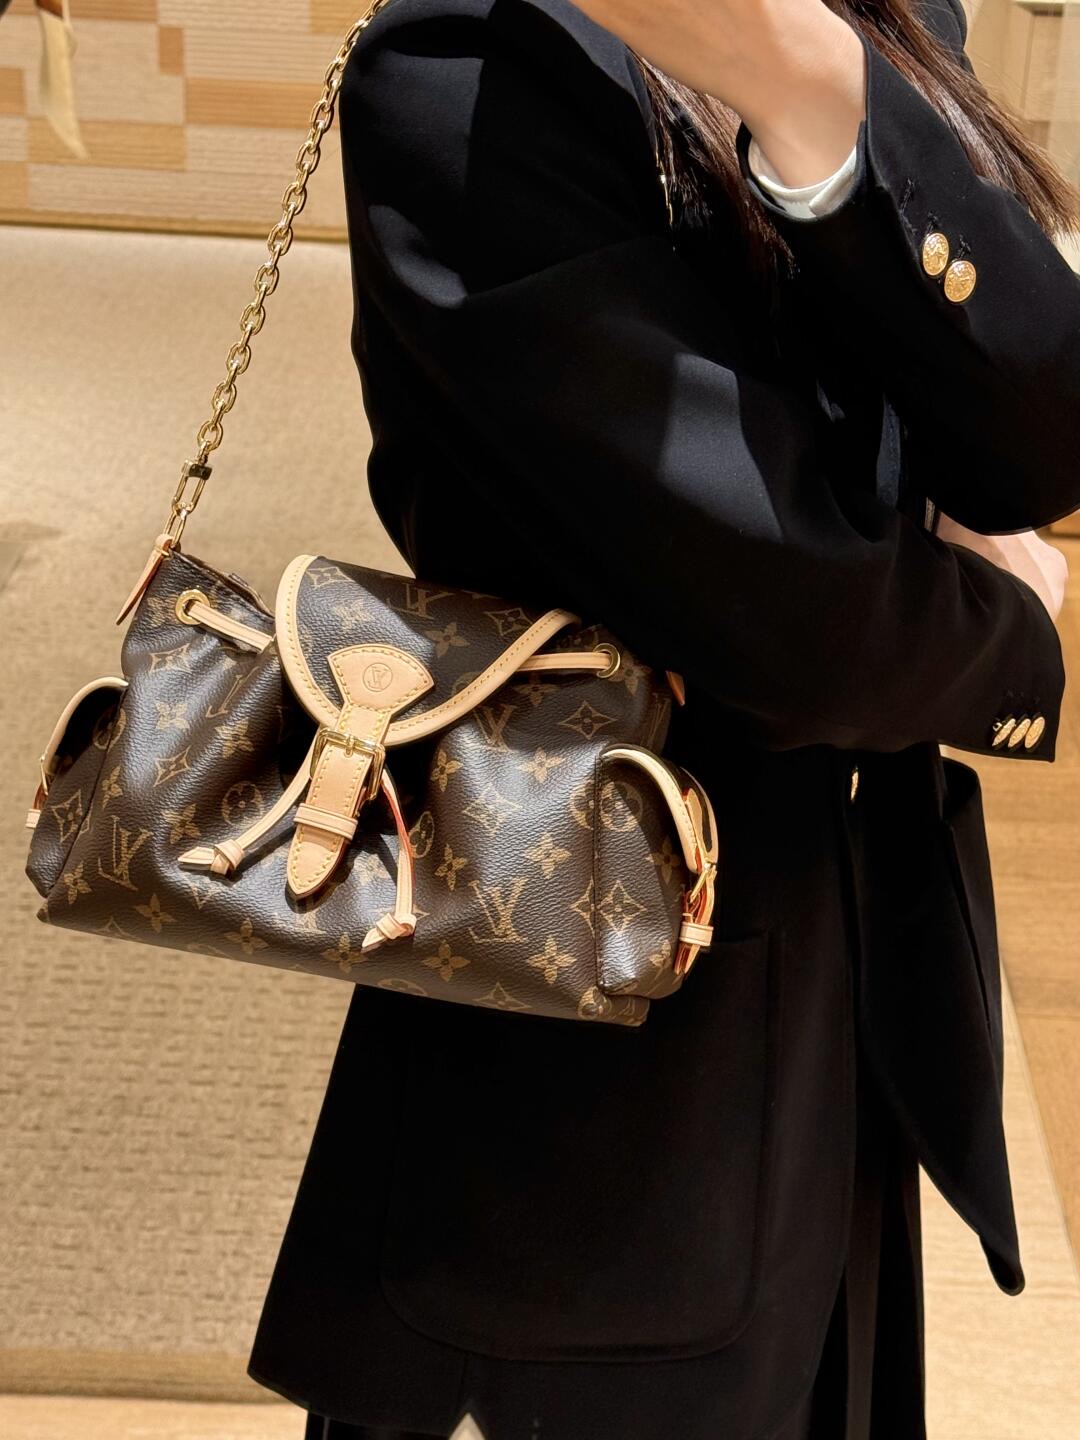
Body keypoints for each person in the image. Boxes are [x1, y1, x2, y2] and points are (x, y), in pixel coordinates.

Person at [246, 0, 1079, 1435]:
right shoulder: (471, 55)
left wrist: (810, 90)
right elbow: (799, 624)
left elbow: (1041, 435)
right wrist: (1012, 629)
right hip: (589, 1016)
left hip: (845, 965)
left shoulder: (870, 17)